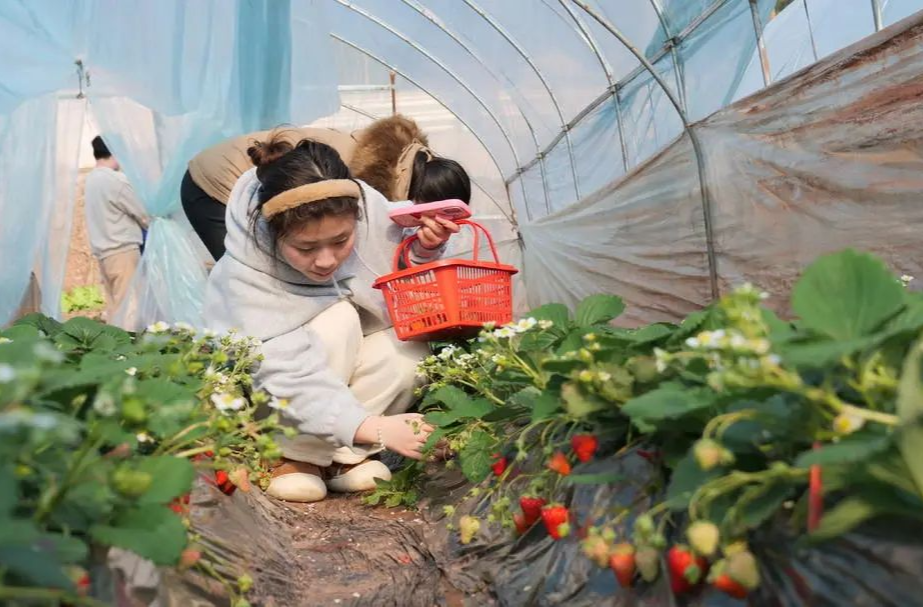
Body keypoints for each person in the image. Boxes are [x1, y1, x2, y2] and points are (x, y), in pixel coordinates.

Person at [203, 135, 461, 503]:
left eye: (340, 241)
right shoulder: (247, 273)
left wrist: (422, 249)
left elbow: (395, 282)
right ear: (271, 234)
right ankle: (292, 455)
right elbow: (284, 372)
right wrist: (375, 428)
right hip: (271, 393)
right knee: (337, 319)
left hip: (330, 392)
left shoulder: (369, 214)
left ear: (356, 217)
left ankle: (343, 458)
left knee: (407, 346)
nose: (326, 260)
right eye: (305, 248)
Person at [181, 115, 471, 261]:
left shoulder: (395, 165)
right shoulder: (346, 170)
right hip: (213, 183)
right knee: (251, 267)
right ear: (416, 196)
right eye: (431, 211)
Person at [83, 136, 150, 320]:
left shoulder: (91, 179)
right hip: (123, 251)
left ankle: (113, 346)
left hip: (104, 253)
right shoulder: (115, 180)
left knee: (115, 307)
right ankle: (128, 347)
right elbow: (144, 213)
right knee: (129, 307)